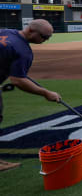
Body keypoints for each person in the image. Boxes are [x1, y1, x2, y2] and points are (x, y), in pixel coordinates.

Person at [0, 19, 61, 172]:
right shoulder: (23, 51)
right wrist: (45, 93)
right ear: (31, 31)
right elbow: (18, 80)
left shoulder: (5, 32)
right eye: (44, 37)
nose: (45, 40)